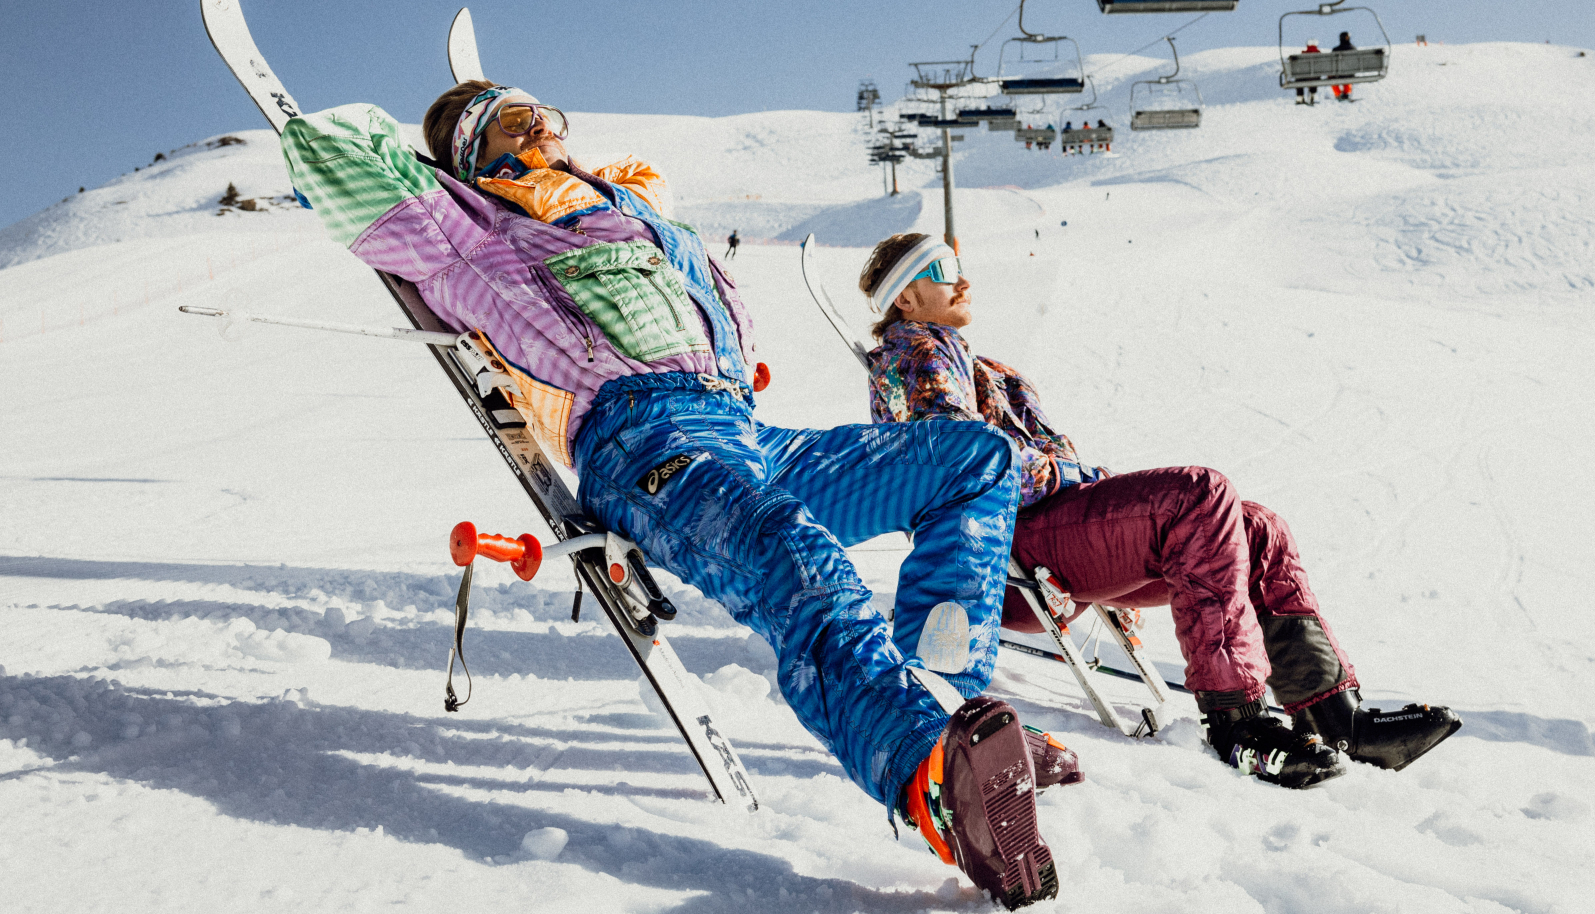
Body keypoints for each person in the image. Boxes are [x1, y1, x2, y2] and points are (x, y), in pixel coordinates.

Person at [278, 83, 1062, 906]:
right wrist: (447, 164)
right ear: (476, 153)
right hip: (642, 444)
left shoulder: (625, 209)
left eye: (552, 114)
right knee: (791, 553)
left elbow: (647, 175)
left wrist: (558, 161)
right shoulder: (462, 226)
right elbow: (330, 155)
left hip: (744, 433)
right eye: (519, 120)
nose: (546, 125)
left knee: (973, 455)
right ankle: (928, 776)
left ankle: (953, 704)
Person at [857, 232, 1462, 788]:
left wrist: (1073, 476)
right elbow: (968, 464)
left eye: (959, 264)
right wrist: (1071, 474)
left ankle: (1336, 718)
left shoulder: (977, 364)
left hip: (1055, 527)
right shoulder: (912, 355)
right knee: (1198, 495)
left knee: (1257, 529)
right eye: (942, 270)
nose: (962, 279)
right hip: (1009, 548)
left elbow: (1043, 455)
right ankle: (1238, 723)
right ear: (907, 298)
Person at [1294, 41, 1322, 105]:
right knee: (1314, 76)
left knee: (1298, 79)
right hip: (1316, 77)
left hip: (1304, 77)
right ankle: (1312, 96)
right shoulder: (1320, 54)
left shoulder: (1303, 54)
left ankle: (1300, 97)